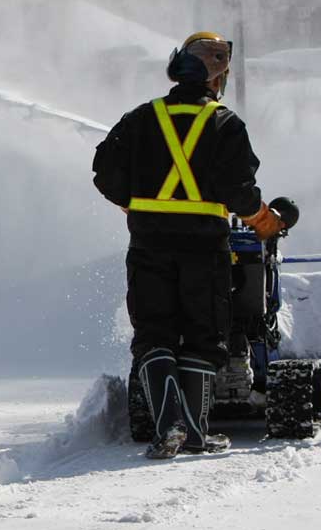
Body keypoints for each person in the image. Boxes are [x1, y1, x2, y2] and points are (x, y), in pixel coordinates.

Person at [92, 32, 284, 459]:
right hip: (204, 249)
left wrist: (135, 205)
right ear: (218, 77)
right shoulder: (226, 124)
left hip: (148, 244)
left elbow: (104, 172)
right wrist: (262, 220)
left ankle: (169, 428)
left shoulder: (141, 118)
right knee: (202, 335)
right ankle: (194, 432)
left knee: (154, 333)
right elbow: (239, 193)